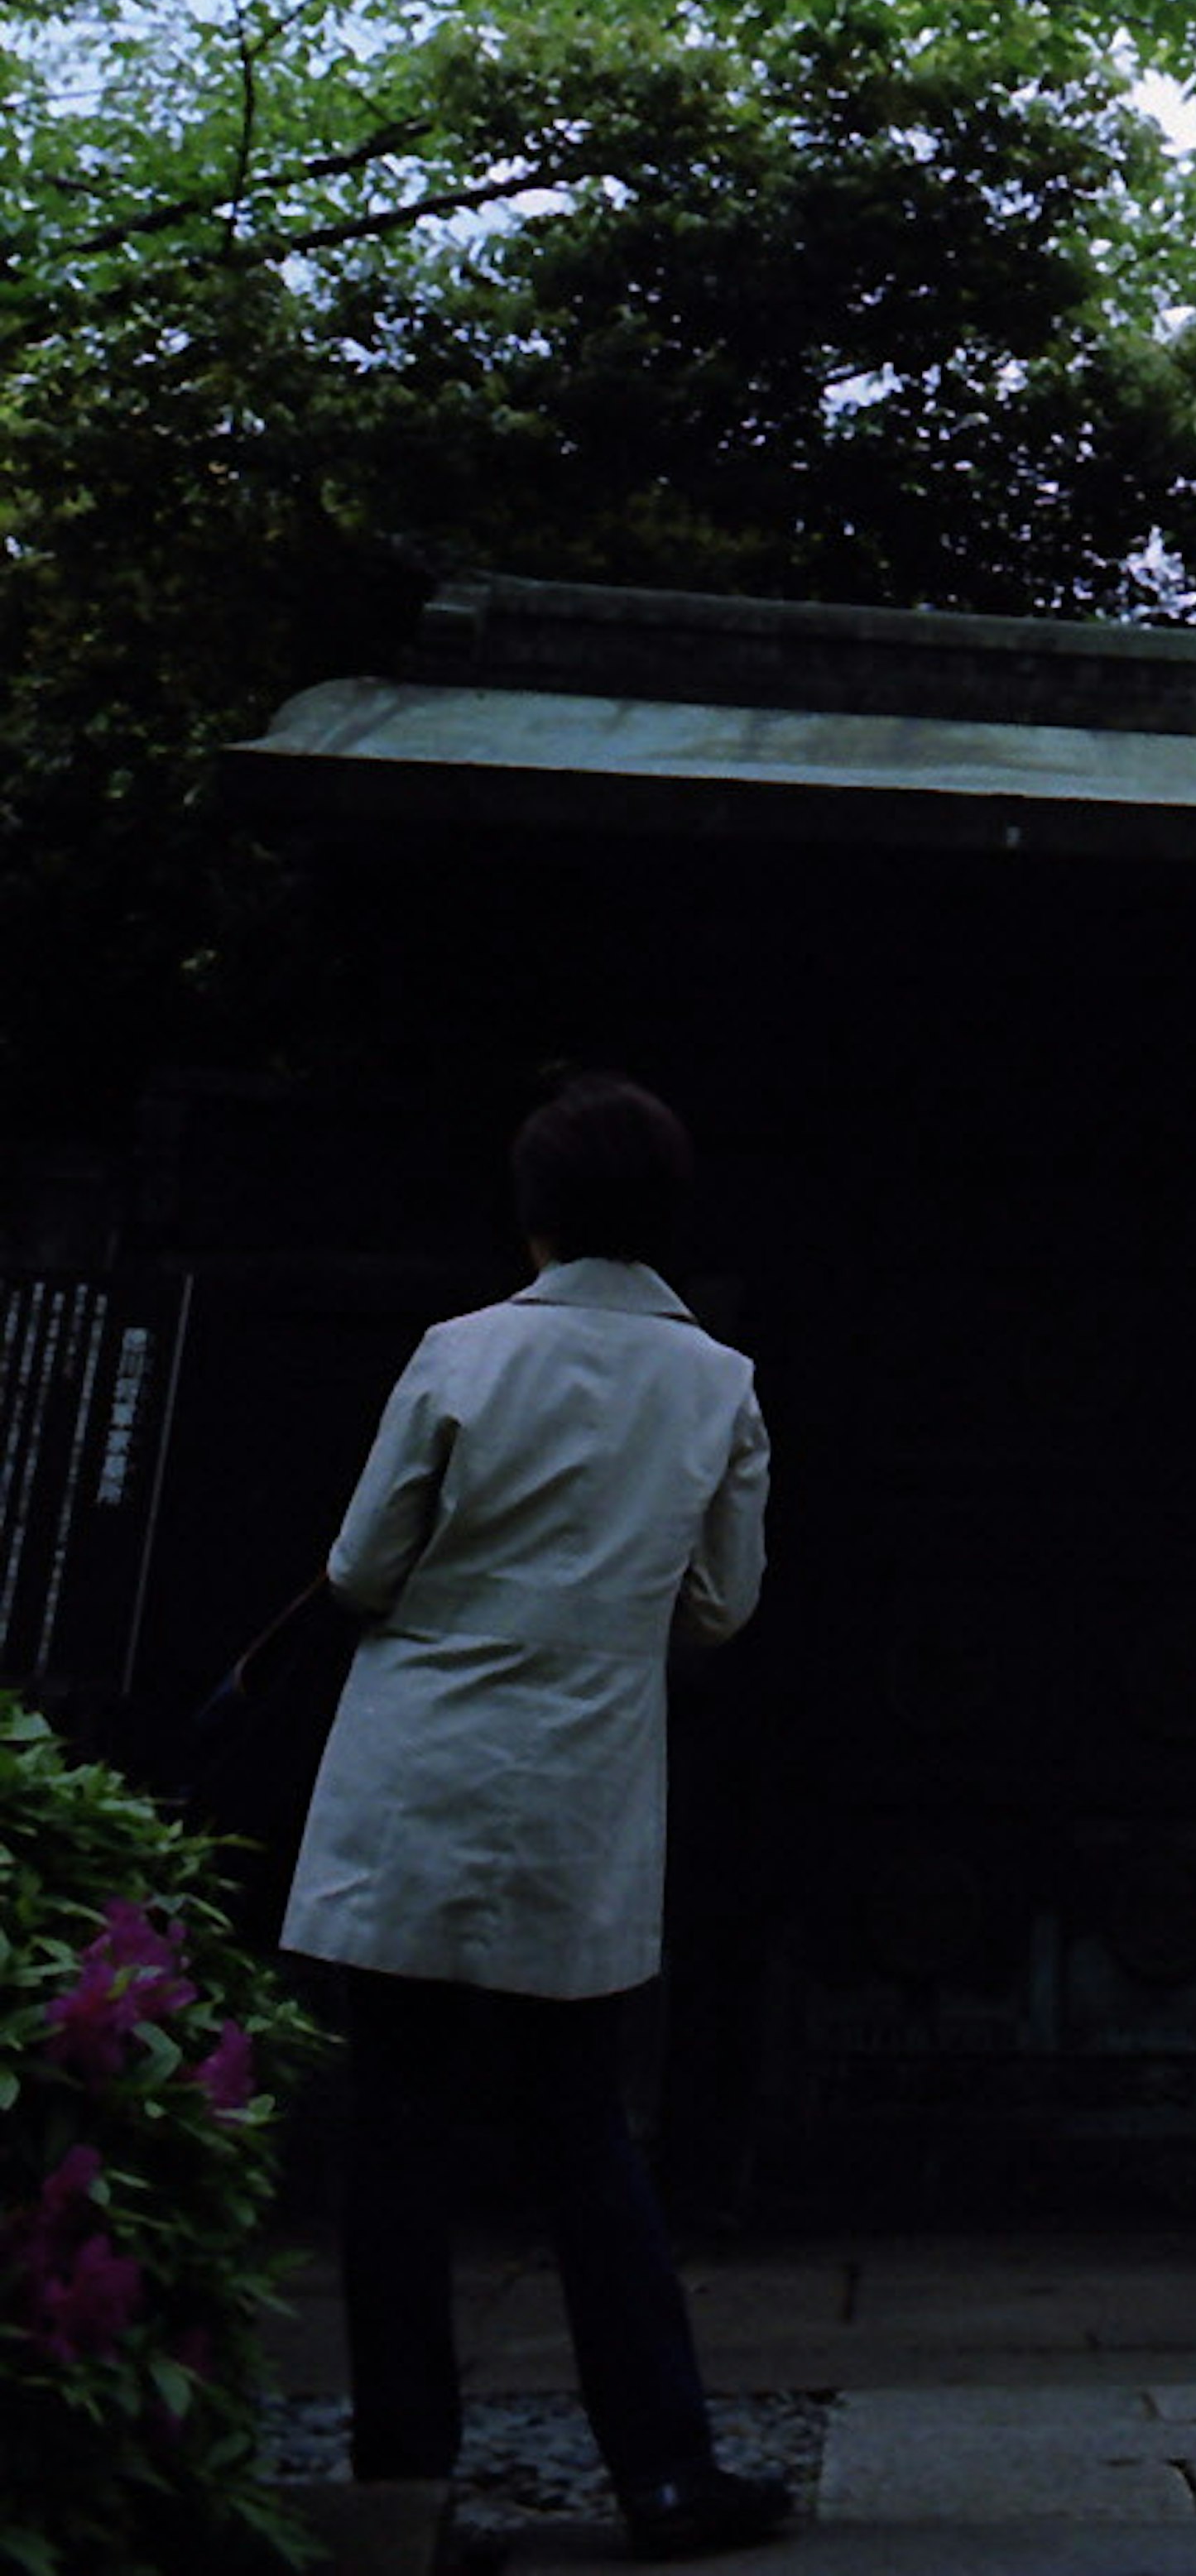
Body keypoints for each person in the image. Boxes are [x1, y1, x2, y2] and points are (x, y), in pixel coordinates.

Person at [282, 1072, 789, 2564]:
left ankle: (403, 2475)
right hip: (578, 1784)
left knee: (398, 2132)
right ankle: (666, 2468)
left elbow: (365, 1566)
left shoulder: (463, 1352)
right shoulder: (721, 1383)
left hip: (417, 1773)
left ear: (535, 1214)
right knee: (585, 2132)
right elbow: (718, 1607)